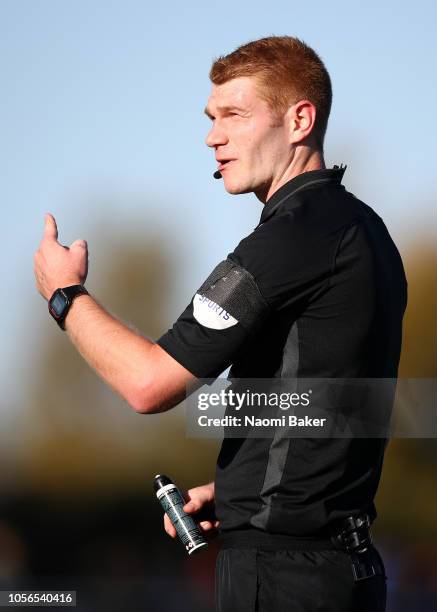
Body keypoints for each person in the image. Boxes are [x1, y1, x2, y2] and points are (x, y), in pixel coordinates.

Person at [34, 36, 407, 611]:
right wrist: (240, 492)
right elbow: (339, 404)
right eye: (211, 118)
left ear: (300, 119)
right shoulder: (368, 231)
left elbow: (148, 383)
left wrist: (65, 296)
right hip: (344, 568)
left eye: (234, 114)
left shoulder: (290, 237)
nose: (213, 136)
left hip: (286, 579)